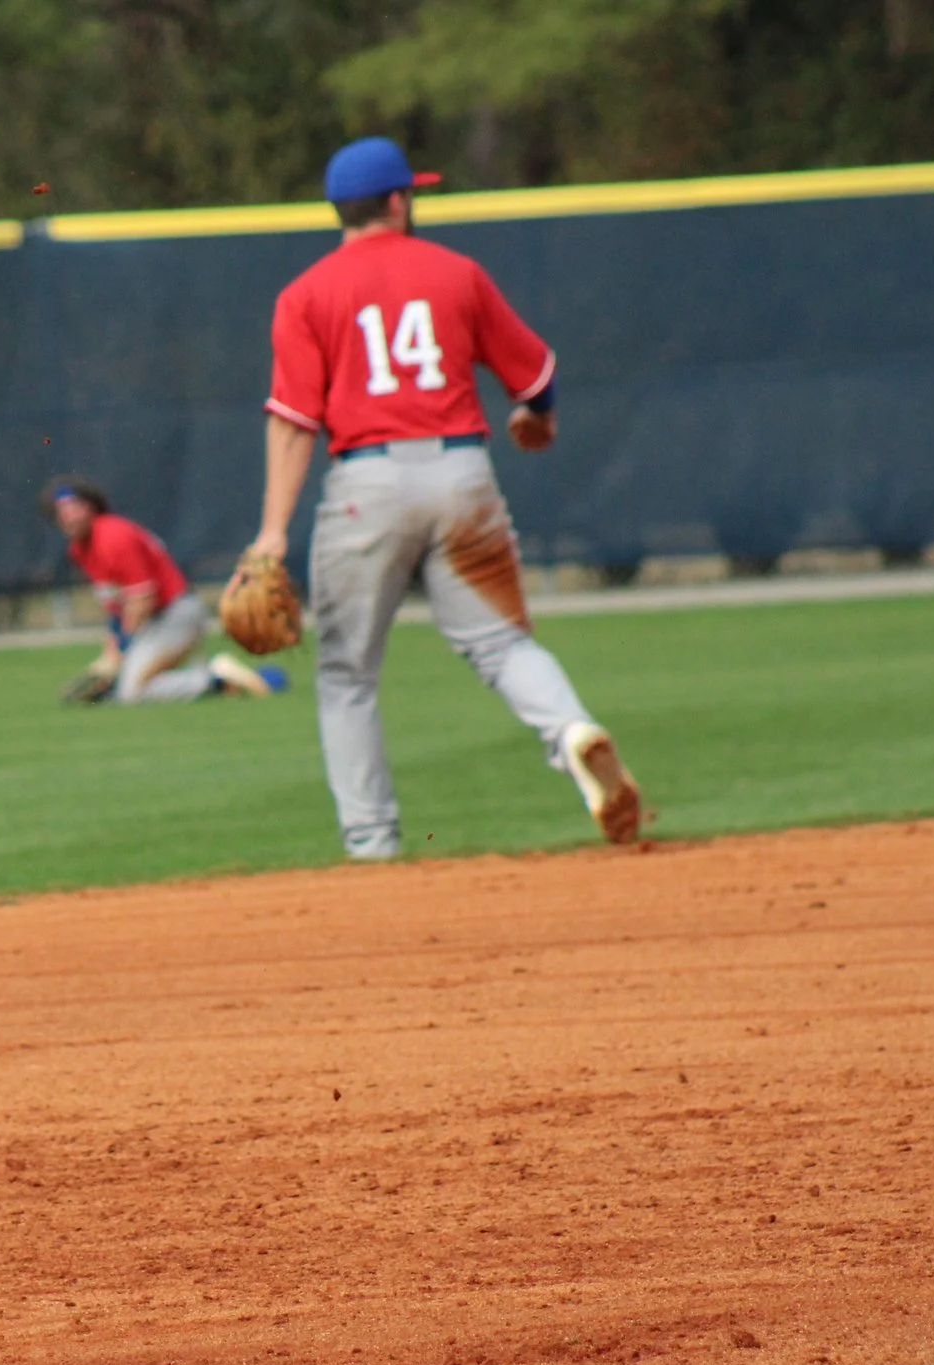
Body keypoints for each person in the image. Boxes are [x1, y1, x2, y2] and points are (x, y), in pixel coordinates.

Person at [244, 136, 642, 859]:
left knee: (347, 674)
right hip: (463, 478)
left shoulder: (305, 294)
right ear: (398, 200)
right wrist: (538, 420)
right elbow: (534, 378)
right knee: (499, 644)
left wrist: (273, 532)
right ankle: (571, 730)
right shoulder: (457, 273)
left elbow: (295, 422)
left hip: (367, 484)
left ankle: (372, 843)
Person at [47, 478, 283, 704]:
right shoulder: (80, 549)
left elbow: (143, 599)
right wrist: (108, 655)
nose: (69, 516)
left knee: (132, 692)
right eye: (62, 511)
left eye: (76, 507)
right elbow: (117, 608)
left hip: (176, 614)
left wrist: (120, 652)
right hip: (156, 621)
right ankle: (217, 676)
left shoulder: (112, 535)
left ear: (92, 507)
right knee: (118, 686)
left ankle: (216, 679)